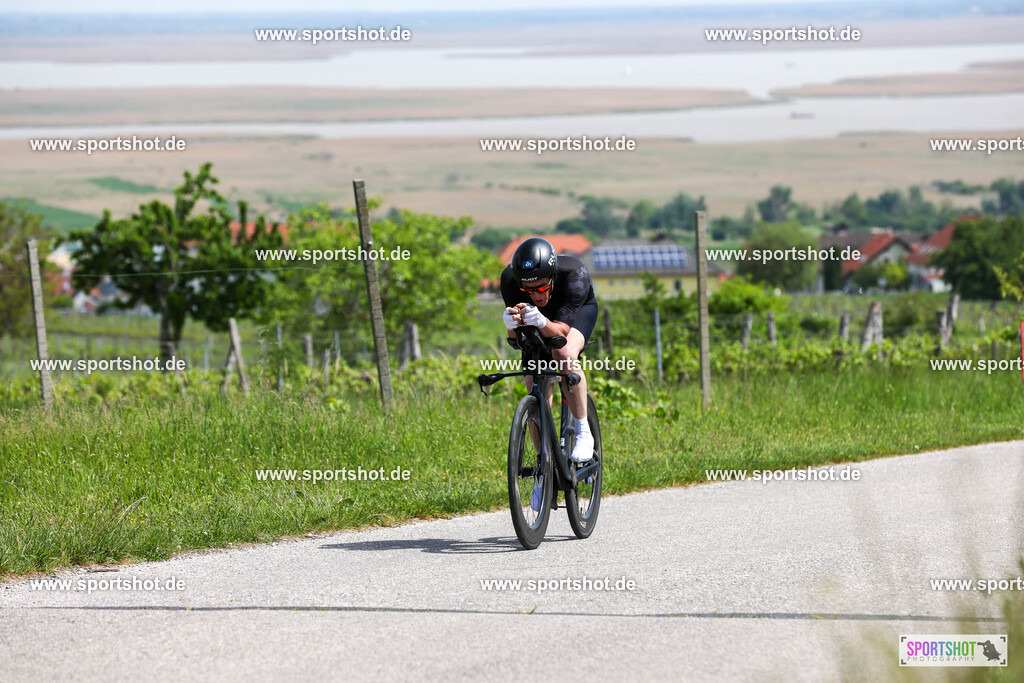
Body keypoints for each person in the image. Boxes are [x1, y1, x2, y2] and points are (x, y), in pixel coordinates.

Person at [499, 237, 599, 510]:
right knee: (533, 375)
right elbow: (519, 342)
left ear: (552, 277)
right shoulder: (510, 280)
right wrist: (511, 327)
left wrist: (542, 320)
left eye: (542, 287)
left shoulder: (574, 273)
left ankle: (583, 431)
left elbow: (562, 333)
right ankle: (544, 468)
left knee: (563, 355)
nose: (536, 294)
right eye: (529, 289)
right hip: (540, 319)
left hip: (576, 315)